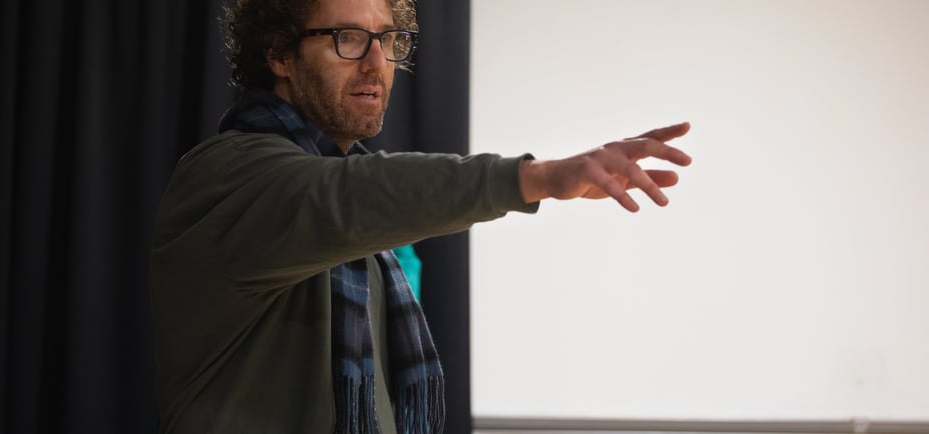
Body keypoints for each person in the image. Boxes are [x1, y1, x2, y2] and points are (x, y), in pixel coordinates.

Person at [148, 0, 692, 432]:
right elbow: (350, 198)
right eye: (347, 37)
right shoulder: (229, 176)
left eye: (388, 39)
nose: (376, 63)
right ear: (279, 53)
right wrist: (538, 178)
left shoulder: (373, 238)